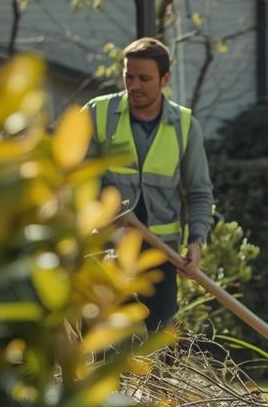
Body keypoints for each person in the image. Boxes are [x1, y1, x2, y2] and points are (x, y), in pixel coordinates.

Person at [86, 37, 214, 332]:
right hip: (106, 251)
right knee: (106, 341)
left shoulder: (185, 126)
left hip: (161, 254)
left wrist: (196, 241)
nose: (135, 85)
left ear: (165, 79)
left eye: (145, 78)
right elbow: (76, 179)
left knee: (157, 339)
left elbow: (199, 192)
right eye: (129, 77)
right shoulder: (98, 115)